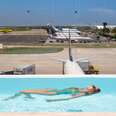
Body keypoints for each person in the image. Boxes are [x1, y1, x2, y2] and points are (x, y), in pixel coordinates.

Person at [4, 85, 101, 102]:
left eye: (91, 87)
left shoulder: (82, 93)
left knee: (24, 90)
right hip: (54, 89)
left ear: (91, 90)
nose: (89, 85)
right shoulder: (82, 89)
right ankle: (29, 97)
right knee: (28, 90)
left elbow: (68, 98)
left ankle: (10, 99)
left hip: (54, 94)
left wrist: (53, 100)